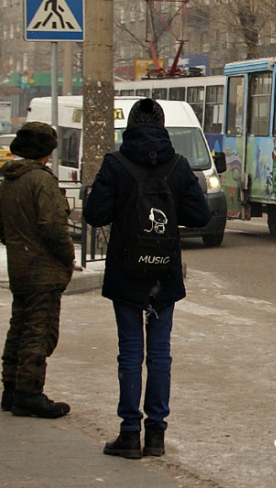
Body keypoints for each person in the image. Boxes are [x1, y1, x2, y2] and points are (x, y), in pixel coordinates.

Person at [84, 98, 210, 460]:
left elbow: (95, 215)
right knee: (159, 354)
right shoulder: (178, 165)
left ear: (131, 124)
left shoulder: (115, 164)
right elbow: (200, 216)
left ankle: (129, 433)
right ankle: (156, 435)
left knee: (130, 353)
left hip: (127, 271)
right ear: (161, 124)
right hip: (163, 272)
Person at [0, 122, 74, 419]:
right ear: (47, 151)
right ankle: (29, 393)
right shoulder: (41, 181)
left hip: (19, 266)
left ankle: (11, 388)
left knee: (18, 327)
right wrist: (66, 257)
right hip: (43, 270)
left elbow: (3, 228)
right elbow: (54, 228)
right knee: (38, 331)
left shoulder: (10, 180)